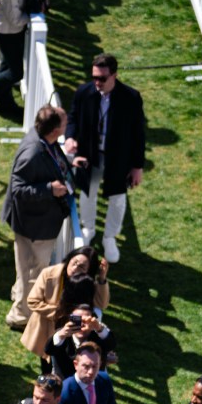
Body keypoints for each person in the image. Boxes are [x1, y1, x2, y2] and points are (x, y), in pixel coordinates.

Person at [64, 52, 146, 264]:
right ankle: (88, 228)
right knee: (88, 192)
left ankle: (110, 237)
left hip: (117, 158)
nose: (97, 82)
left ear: (114, 76)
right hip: (90, 154)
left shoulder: (131, 98)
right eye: (94, 77)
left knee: (117, 198)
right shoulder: (84, 92)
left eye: (102, 78)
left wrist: (137, 166)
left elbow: (139, 134)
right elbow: (72, 117)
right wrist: (70, 137)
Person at [1, 105, 71, 330]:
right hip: (34, 225)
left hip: (35, 222)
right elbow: (18, 189)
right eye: (64, 122)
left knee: (27, 268)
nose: (67, 124)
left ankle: (20, 298)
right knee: (33, 270)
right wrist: (50, 189)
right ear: (54, 131)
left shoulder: (41, 139)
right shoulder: (33, 152)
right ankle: (20, 316)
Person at [21, 246, 110, 359]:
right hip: (45, 328)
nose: (75, 268)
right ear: (69, 259)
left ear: (89, 271)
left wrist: (102, 278)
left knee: (63, 361)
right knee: (47, 355)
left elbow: (102, 303)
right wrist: (60, 313)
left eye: (81, 267)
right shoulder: (49, 273)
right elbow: (33, 301)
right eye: (74, 262)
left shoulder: (87, 283)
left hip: (71, 333)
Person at [45, 294, 117, 381]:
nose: (81, 325)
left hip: (93, 385)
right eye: (77, 320)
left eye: (85, 320)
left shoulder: (98, 337)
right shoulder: (64, 336)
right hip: (66, 384)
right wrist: (62, 334)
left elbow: (111, 344)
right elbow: (49, 349)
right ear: (69, 320)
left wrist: (99, 328)